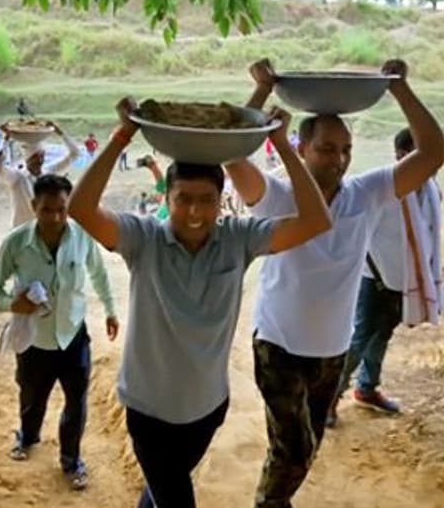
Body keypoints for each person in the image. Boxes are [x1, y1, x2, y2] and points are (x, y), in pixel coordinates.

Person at [68, 97, 331, 508]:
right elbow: (79, 208)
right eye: (183, 199)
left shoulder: (238, 240)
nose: (194, 211)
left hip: (206, 409)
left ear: (221, 200)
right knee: (175, 497)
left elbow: (316, 221)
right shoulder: (144, 240)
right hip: (148, 409)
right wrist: (123, 135)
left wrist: (281, 144)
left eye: (206, 199)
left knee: (161, 490)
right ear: (166, 198)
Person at [226, 58, 443, 508]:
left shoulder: (365, 193)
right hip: (278, 345)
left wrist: (399, 88)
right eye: (327, 148)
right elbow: (231, 154)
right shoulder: (277, 194)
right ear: (301, 147)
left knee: (303, 446)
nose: (339, 159)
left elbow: (433, 151)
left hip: (332, 350)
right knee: (296, 446)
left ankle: (274, 497)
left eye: (345, 149)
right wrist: (262, 92)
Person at [0, 174, 118, 491]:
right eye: (47, 210)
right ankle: (27, 436)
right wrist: (10, 304)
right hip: (34, 340)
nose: (55, 217)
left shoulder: (81, 236)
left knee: (76, 403)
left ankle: (71, 461)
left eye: (62, 209)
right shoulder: (16, 242)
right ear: (34, 207)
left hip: (73, 336)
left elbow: (98, 273)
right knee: (32, 398)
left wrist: (111, 310)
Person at [335, 127, 442, 423]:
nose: (435, 163)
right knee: (358, 340)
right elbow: (357, 234)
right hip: (374, 280)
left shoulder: (431, 188)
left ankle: (366, 389)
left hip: (403, 281)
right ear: (403, 156)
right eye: (428, 156)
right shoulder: (383, 192)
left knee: (382, 335)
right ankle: (328, 399)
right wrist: (376, 274)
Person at [0, 121, 80, 229]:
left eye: (42, 156)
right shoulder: (17, 177)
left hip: (45, 231)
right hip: (21, 231)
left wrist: (61, 133)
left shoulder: (49, 173)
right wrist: (5, 139)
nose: (40, 160)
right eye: (35, 157)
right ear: (27, 159)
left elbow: (75, 153)